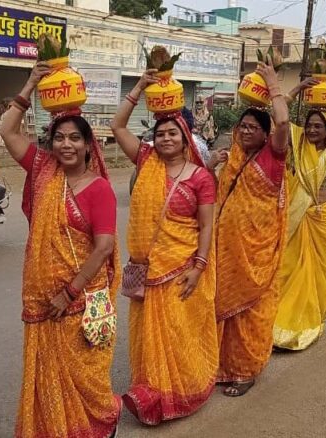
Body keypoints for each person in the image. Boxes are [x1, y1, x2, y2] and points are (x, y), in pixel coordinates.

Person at [0, 62, 121, 438]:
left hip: (80, 300)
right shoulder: (42, 169)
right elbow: (7, 130)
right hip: (42, 299)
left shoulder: (99, 188)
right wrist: (32, 82)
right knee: (48, 374)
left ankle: (102, 423)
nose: (66, 145)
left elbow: (104, 247)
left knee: (87, 376)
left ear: (88, 145)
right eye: (59, 138)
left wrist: (69, 291)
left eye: (74, 139)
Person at [111, 69, 218, 425]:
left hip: (181, 266)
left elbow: (206, 225)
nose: (166, 138)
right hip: (146, 269)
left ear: (185, 137)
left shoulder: (201, 177)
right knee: (148, 337)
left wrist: (198, 267)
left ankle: (182, 390)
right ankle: (151, 392)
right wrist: (139, 86)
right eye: (160, 134)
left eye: (173, 133)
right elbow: (117, 128)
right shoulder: (146, 162)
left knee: (176, 333)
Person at [211, 62, 289, 396]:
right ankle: (219, 366)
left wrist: (273, 84)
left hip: (255, 255)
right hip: (225, 251)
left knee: (248, 314)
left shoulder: (273, 157)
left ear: (265, 133)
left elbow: (283, 120)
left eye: (253, 128)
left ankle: (245, 371)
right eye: (242, 126)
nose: (245, 132)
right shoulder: (233, 158)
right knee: (221, 312)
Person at [272, 78, 326, 348]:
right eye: (309, 125)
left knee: (320, 271)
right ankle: (280, 323)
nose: (312, 129)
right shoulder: (296, 147)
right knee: (287, 268)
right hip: (296, 214)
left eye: (319, 126)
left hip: (324, 217)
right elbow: (277, 120)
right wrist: (295, 90)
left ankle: (309, 322)